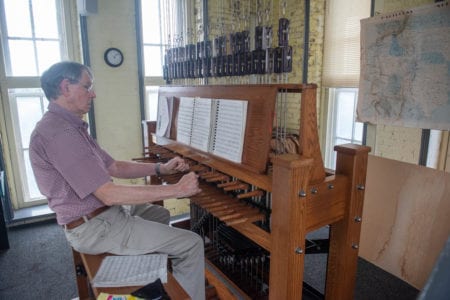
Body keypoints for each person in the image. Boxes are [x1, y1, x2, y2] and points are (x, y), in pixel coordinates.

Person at [29, 61, 205, 300]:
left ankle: (155, 280)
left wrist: (160, 168)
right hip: (94, 227)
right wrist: (177, 188)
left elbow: (114, 166)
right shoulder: (60, 134)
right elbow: (108, 194)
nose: (93, 94)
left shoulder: (70, 126)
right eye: (87, 86)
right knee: (192, 243)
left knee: (160, 215)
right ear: (65, 87)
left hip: (101, 216)